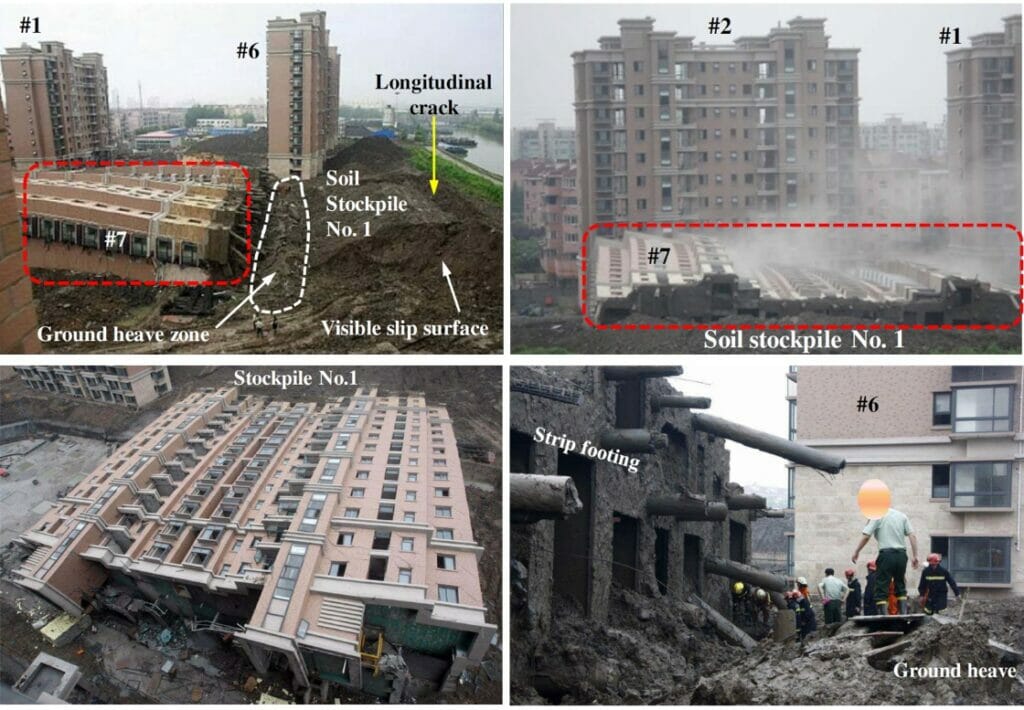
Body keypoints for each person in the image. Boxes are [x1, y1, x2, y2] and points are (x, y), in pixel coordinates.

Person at [852, 505, 919, 615]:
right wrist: (915, 555)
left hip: (886, 555)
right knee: (900, 583)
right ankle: (903, 614)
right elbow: (912, 535)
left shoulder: (877, 516)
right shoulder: (901, 515)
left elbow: (866, 536)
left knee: (881, 585)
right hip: (902, 555)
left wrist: (857, 551)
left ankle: (883, 615)